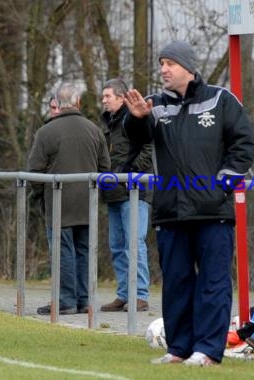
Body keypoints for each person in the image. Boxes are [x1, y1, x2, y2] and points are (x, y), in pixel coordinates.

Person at [123, 41, 254, 366]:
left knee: (213, 283)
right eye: (161, 64)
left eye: (169, 63)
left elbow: (244, 142)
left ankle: (208, 351)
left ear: (188, 67)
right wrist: (138, 119)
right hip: (170, 212)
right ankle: (179, 349)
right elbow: (137, 137)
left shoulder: (221, 100)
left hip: (213, 213)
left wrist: (222, 183)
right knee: (177, 283)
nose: (163, 69)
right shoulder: (156, 105)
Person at [28, 82, 110, 315]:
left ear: (57, 103)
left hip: (58, 201)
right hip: (88, 202)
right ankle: (84, 300)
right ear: (78, 102)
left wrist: (39, 197)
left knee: (62, 251)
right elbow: (105, 168)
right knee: (83, 250)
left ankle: (65, 300)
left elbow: (35, 172)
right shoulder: (95, 130)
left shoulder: (46, 132)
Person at [99, 78, 153, 313]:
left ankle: (140, 294)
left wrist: (131, 173)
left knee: (135, 243)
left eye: (107, 96)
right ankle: (124, 293)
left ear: (121, 98)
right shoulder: (107, 123)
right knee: (117, 245)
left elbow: (149, 147)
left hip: (133, 190)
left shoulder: (133, 119)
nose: (103, 100)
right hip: (113, 191)